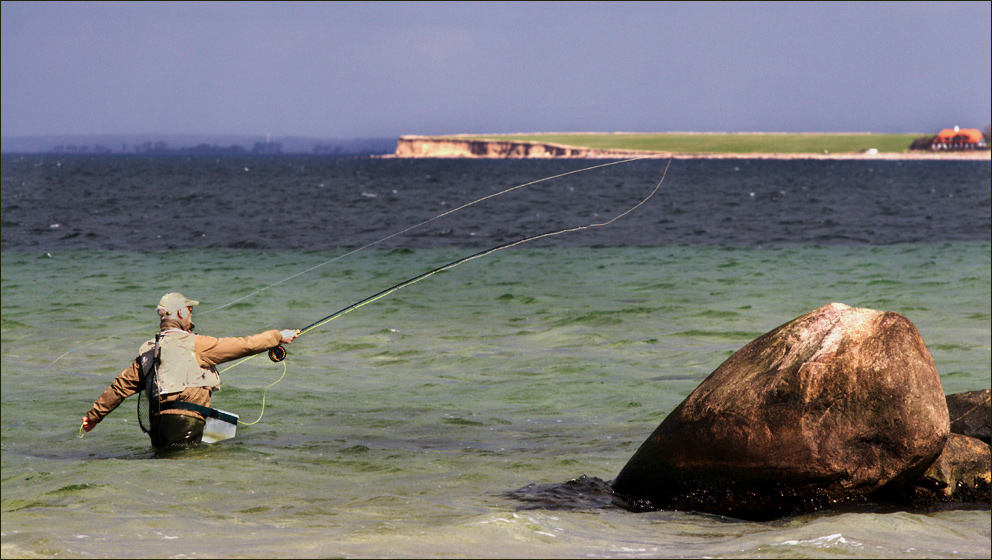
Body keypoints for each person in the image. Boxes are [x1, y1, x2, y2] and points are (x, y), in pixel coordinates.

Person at [81, 292, 298, 449]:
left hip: (158, 427)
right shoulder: (195, 343)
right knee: (187, 470)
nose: (192, 316)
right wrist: (278, 336)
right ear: (182, 313)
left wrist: (93, 416)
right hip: (184, 422)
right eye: (190, 311)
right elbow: (245, 345)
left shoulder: (148, 351)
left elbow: (119, 387)